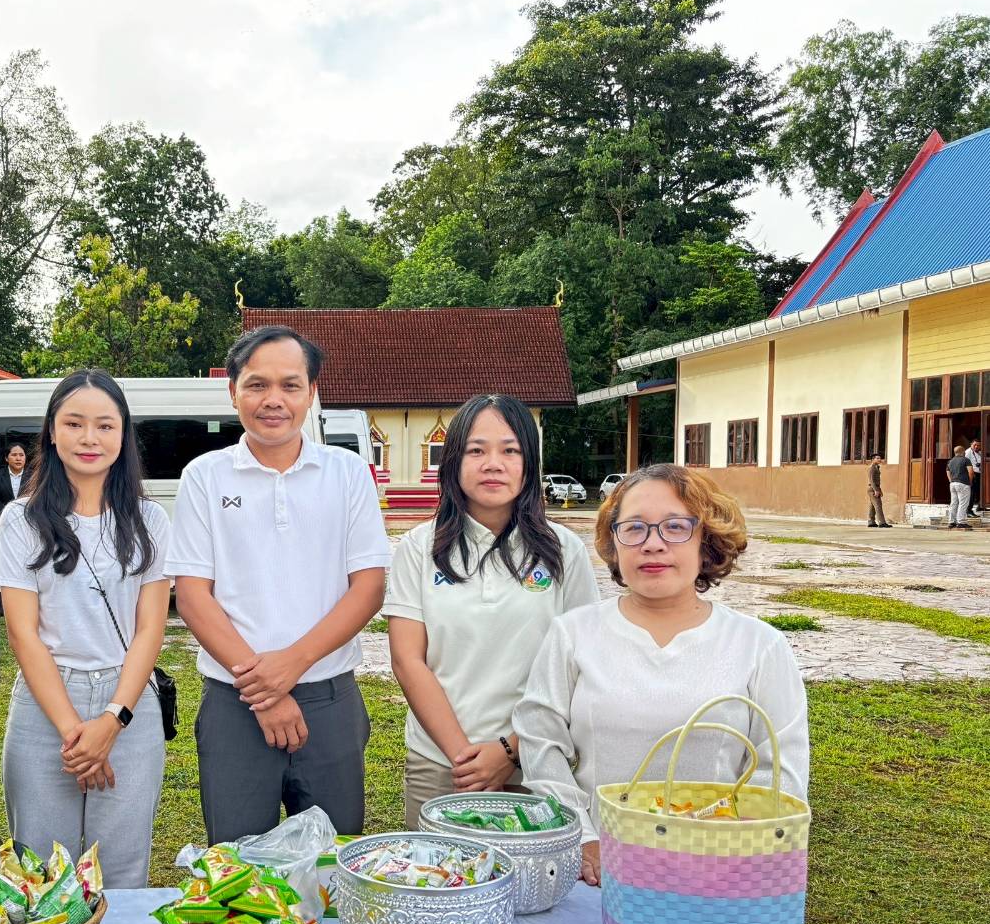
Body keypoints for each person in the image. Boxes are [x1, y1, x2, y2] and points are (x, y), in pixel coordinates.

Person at [512, 463, 809, 886]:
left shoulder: (759, 646)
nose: (653, 545)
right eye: (634, 529)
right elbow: (540, 743)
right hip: (599, 872)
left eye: (674, 527)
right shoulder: (574, 634)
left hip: (718, 873)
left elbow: (782, 771)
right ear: (614, 544)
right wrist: (582, 836)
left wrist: (730, 848)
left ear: (707, 540)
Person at [167, 325, 391, 843]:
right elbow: (194, 595)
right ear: (233, 391)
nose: (274, 400)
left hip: (329, 700)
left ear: (313, 392)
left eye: (290, 386)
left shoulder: (348, 472)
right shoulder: (205, 476)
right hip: (234, 702)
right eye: (257, 385)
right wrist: (265, 693)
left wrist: (290, 666)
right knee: (238, 868)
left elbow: (368, 588)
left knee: (334, 863)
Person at [385, 395, 599, 829]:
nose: (493, 463)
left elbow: (581, 664)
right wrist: (466, 760)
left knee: (536, 894)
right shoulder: (418, 549)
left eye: (510, 450)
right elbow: (408, 661)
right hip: (439, 764)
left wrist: (509, 752)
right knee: (439, 887)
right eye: (476, 450)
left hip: (536, 764)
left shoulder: (563, 551)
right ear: (453, 462)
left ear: (529, 462)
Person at [0, 370, 170, 887]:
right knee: (43, 875)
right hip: (46, 706)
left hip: (128, 703)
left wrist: (111, 722)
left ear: (123, 434)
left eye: (104, 425)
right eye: (74, 423)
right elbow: (23, 633)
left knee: (119, 870)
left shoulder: (150, 520)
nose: (89, 438)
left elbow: (150, 629)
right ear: (51, 431)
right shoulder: (20, 520)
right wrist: (78, 736)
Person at [0, 443, 31, 532]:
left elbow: (38, 498)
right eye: (14, 455)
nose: (18, 458)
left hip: (27, 522)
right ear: (6, 458)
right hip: (3, 521)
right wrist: (9, 514)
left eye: (21, 455)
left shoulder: (33, 476)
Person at [947, 446, 972, 530]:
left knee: (953, 503)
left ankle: (951, 522)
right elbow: (970, 471)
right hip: (963, 483)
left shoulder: (950, 461)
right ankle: (961, 522)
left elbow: (948, 472)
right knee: (963, 503)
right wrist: (970, 481)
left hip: (953, 484)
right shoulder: (965, 460)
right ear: (962, 451)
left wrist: (951, 481)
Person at [866, 452, 891, 528]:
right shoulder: (872, 468)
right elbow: (871, 480)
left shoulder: (876, 467)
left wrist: (879, 490)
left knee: (872, 506)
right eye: (877, 458)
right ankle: (882, 522)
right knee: (878, 505)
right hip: (873, 488)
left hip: (875, 488)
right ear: (873, 459)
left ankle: (871, 522)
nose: (880, 459)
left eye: (880, 458)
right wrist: (876, 490)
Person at [967, 438, 983, 518]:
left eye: (978, 445)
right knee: (972, 493)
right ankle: (968, 510)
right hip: (972, 474)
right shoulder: (967, 452)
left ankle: (981, 506)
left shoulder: (980, 452)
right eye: (975, 445)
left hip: (980, 474)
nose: (976, 447)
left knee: (980, 491)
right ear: (971, 445)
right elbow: (966, 465)